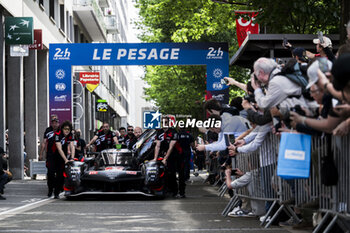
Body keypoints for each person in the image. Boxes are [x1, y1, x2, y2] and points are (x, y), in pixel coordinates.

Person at [153, 116, 184, 198]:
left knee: (179, 174)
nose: (164, 124)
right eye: (162, 122)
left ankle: (181, 192)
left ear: (169, 123)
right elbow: (157, 146)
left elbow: (171, 147)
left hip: (176, 155)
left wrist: (165, 158)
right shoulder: (159, 132)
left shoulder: (173, 132)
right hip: (166, 155)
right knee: (168, 173)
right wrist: (155, 158)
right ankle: (170, 191)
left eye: (166, 122)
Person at [39, 115, 60, 197]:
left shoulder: (61, 130)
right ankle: (50, 190)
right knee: (50, 173)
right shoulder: (48, 130)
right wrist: (41, 154)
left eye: (56, 123)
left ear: (58, 123)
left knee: (59, 174)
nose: (54, 124)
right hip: (50, 155)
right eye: (53, 123)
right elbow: (44, 143)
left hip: (59, 155)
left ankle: (57, 192)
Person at [53, 121, 75, 199]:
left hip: (64, 154)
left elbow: (72, 146)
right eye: (65, 129)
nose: (67, 131)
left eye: (68, 129)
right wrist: (66, 159)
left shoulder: (70, 135)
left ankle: (61, 189)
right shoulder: (57, 135)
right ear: (62, 129)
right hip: (54, 155)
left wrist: (72, 158)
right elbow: (59, 148)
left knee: (63, 174)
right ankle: (55, 192)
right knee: (56, 174)